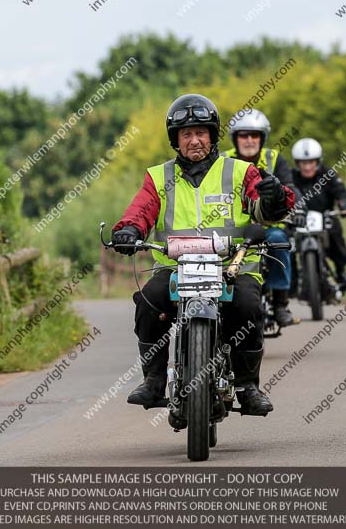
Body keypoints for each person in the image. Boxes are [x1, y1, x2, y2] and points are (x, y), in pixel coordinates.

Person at [111, 94, 295, 417]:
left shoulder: (241, 172)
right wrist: (128, 231)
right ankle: (154, 380)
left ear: (212, 136)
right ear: (176, 140)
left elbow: (269, 210)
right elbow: (140, 211)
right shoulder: (159, 177)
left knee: (248, 306)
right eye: (186, 134)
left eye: (201, 132)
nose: (194, 140)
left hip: (232, 268)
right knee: (148, 303)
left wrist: (275, 196)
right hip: (174, 270)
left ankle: (247, 386)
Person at [221, 109, 300, 327]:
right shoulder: (223, 160)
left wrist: (299, 210)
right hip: (234, 228)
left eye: (254, 135)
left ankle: (280, 303)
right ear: (235, 138)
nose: (249, 140)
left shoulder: (274, 159)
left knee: (279, 241)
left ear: (262, 137)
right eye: (243, 135)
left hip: (269, 225)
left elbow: (290, 189)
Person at [291, 138, 346, 291]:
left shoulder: (328, 174)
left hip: (324, 217)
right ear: (297, 163)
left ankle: (341, 272)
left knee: (335, 231)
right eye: (303, 163)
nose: (307, 167)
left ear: (318, 161)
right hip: (297, 219)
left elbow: (341, 191)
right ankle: (290, 279)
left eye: (311, 162)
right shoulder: (290, 177)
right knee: (284, 242)